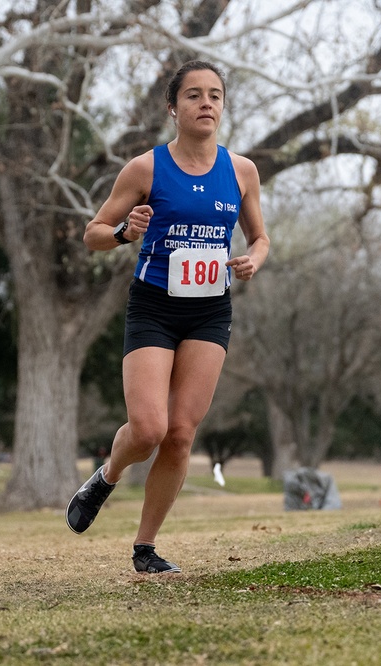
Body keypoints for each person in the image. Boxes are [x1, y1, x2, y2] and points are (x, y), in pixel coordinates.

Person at [67, 60, 270, 574]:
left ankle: (145, 548)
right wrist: (124, 234)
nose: (206, 103)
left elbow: (261, 237)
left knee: (181, 433)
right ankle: (107, 476)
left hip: (209, 311)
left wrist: (253, 260)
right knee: (149, 428)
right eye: (194, 95)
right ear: (173, 107)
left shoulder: (241, 171)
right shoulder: (146, 169)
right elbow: (93, 234)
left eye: (215, 96)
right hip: (155, 306)